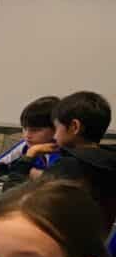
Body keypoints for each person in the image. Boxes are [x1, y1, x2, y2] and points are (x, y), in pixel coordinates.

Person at [31, 91, 115, 233]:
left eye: (57, 128)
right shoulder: (106, 161)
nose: (55, 136)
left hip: (60, 239)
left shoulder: (71, 165)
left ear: (75, 127)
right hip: (94, 240)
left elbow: (17, 199)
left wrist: (28, 156)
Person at [0, 95, 61, 176]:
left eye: (35, 130)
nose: (27, 135)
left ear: (56, 129)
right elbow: (0, 162)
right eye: (24, 128)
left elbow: (53, 180)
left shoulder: (62, 152)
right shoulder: (25, 144)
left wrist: (29, 160)